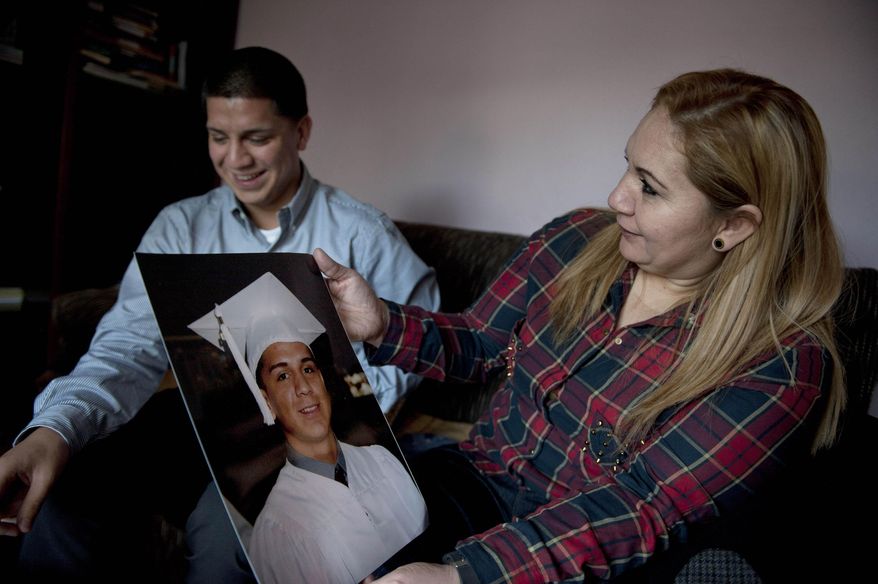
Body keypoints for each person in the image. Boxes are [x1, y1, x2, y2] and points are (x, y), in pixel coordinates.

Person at [313, 68, 845, 583]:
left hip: (592, 554)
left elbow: (640, 509)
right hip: (474, 480)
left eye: (650, 187)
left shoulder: (781, 364)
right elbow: (478, 342)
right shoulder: (572, 241)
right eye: (628, 166)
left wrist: (464, 575)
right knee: (318, 531)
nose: (617, 198)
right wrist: (381, 324)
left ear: (733, 225)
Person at [0, 46, 439, 581]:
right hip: (189, 419)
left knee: (232, 534)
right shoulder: (178, 227)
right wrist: (55, 428)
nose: (235, 159)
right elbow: (127, 346)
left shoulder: (361, 234)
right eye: (218, 137)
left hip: (300, 435)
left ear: (300, 133)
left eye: (257, 137)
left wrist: (317, 437)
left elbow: (411, 353)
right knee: (69, 482)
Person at [188, 271, 428, 584]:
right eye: (282, 376)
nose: (304, 387)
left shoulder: (383, 460)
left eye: (308, 368)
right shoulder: (277, 527)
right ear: (266, 401)